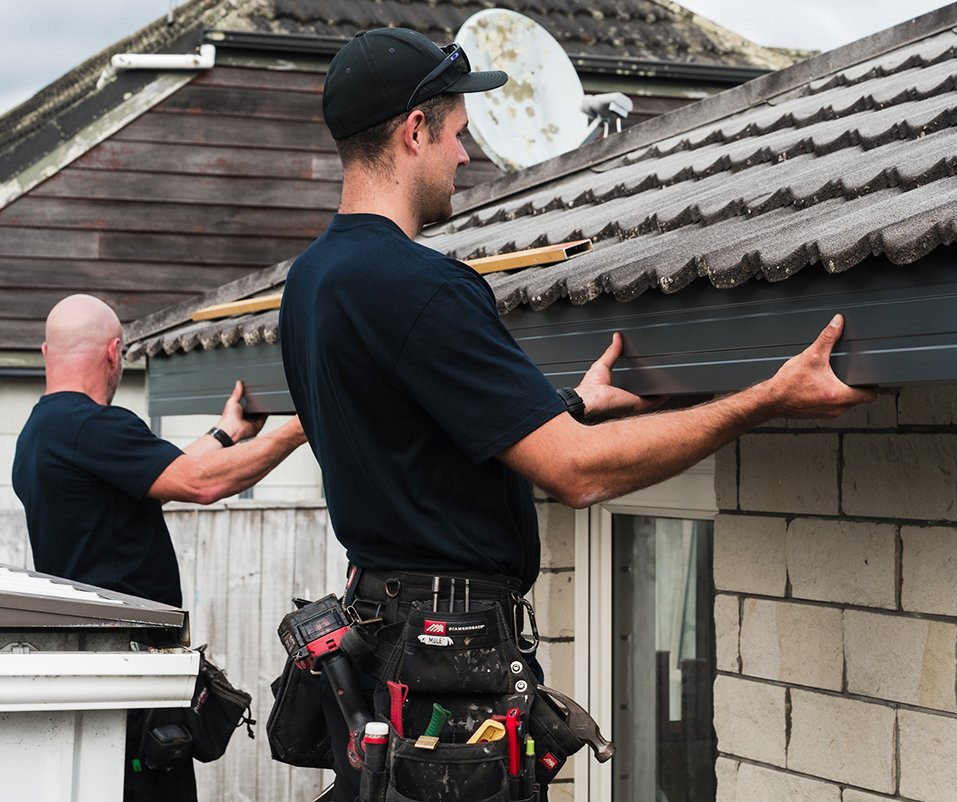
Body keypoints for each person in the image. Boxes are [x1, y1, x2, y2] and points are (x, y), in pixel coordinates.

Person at [278, 28, 874, 801]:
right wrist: (767, 398)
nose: (468, 158)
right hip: (445, 672)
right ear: (413, 130)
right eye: (458, 136)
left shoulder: (311, 283)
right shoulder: (422, 287)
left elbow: (412, 431)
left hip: (387, 643)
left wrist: (571, 405)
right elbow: (577, 474)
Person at [11, 293, 308, 802]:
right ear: (113, 353)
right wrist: (301, 428)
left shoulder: (41, 432)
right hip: (134, 680)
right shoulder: (93, 426)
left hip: (96, 670)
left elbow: (164, 472)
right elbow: (199, 485)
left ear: (45, 352)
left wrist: (226, 432)